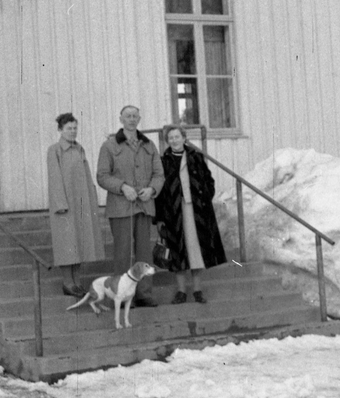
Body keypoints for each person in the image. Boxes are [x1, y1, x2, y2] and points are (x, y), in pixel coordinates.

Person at [96, 105, 163, 307]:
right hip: (120, 207)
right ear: (121, 119)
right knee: (123, 253)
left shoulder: (149, 145)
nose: (132, 119)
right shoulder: (109, 146)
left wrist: (152, 189)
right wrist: (122, 187)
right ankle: (122, 295)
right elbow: (102, 176)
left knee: (144, 253)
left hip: (144, 206)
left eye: (135, 116)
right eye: (128, 116)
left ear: (139, 119)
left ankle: (144, 293)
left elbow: (159, 174)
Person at [156, 125, 227, 304]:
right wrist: (160, 218)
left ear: (184, 138)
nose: (174, 140)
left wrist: (204, 198)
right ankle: (181, 291)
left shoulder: (195, 157)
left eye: (177, 137)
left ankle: (197, 290)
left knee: (196, 250)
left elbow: (209, 180)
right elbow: (160, 191)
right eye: (170, 138)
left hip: (197, 212)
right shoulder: (163, 161)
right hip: (174, 213)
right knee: (178, 251)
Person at [47, 112, 102, 298]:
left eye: (75, 128)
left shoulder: (79, 149)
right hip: (64, 207)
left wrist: (91, 200)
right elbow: (54, 179)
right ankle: (67, 282)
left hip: (81, 205)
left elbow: (86, 176)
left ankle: (78, 281)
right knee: (67, 245)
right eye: (68, 128)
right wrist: (60, 203)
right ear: (60, 130)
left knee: (80, 243)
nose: (72, 131)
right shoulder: (55, 150)